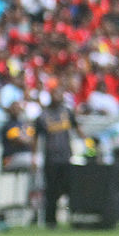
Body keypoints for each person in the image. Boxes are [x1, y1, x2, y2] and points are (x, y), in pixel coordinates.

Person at [34, 88, 85, 228]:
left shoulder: (67, 112)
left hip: (66, 157)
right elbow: (36, 137)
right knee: (51, 191)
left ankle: (75, 219)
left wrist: (87, 142)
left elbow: (77, 128)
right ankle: (51, 221)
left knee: (70, 188)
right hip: (51, 158)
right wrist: (34, 156)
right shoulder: (43, 116)